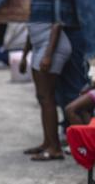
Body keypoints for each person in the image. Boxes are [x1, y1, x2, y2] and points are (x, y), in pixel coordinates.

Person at [23, 23, 73, 161]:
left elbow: (57, 23)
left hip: (51, 45)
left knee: (47, 97)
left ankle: (55, 148)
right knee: (42, 97)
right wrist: (24, 55)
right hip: (40, 46)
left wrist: (48, 54)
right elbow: (31, 29)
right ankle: (48, 143)